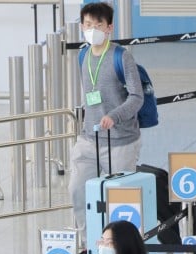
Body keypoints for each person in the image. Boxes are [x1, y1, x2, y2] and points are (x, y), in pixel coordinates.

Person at [68, 2, 144, 230]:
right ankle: (86, 243)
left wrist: (114, 115)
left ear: (109, 27)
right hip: (89, 138)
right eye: (88, 24)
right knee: (77, 190)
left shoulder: (122, 57)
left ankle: (119, 246)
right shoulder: (83, 56)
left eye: (98, 24)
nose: (92, 29)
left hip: (121, 141)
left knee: (119, 200)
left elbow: (137, 97)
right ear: (81, 26)